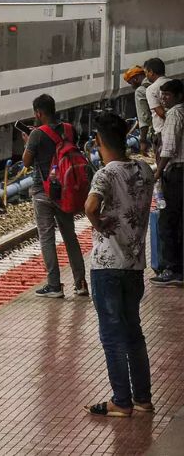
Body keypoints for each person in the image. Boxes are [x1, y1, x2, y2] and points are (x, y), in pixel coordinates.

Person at [83, 111, 155, 417]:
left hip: (107, 265)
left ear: (98, 140)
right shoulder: (143, 168)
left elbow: (89, 206)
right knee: (133, 332)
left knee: (111, 335)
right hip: (135, 265)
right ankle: (142, 398)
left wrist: (98, 224)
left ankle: (121, 401)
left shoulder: (105, 174)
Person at [22, 93, 87, 298]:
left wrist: (28, 141)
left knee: (47, 237)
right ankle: (81, 283)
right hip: (66, 190)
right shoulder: (69, 129)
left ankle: (54, 285)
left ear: (39, 113)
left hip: (44, 192)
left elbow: (26, 162)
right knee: (70, 236)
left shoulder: (37, 135)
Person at [152, 78, 184, 286]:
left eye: (168, 95)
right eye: (162, 95)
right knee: (180, 221)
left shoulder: (174, 114)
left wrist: (158, 172)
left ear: (179, 96)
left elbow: (169, 148)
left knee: (168, 221)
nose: (163, 99)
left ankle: (172, 269)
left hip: (176, 173)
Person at [123, 66, 152, 154]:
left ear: (135, 79)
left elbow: (144, 118)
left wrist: (142, 140)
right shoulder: (155, 83)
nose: (132, 86)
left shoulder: (140, 91)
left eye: (131, 82)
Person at [143, 57, 169, 141]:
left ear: (151, 72)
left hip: (163, 131)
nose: (146, 76)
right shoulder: (174, 83)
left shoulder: (151, 89)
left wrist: (172, 122)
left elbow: (160, 113)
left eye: (146, 72)